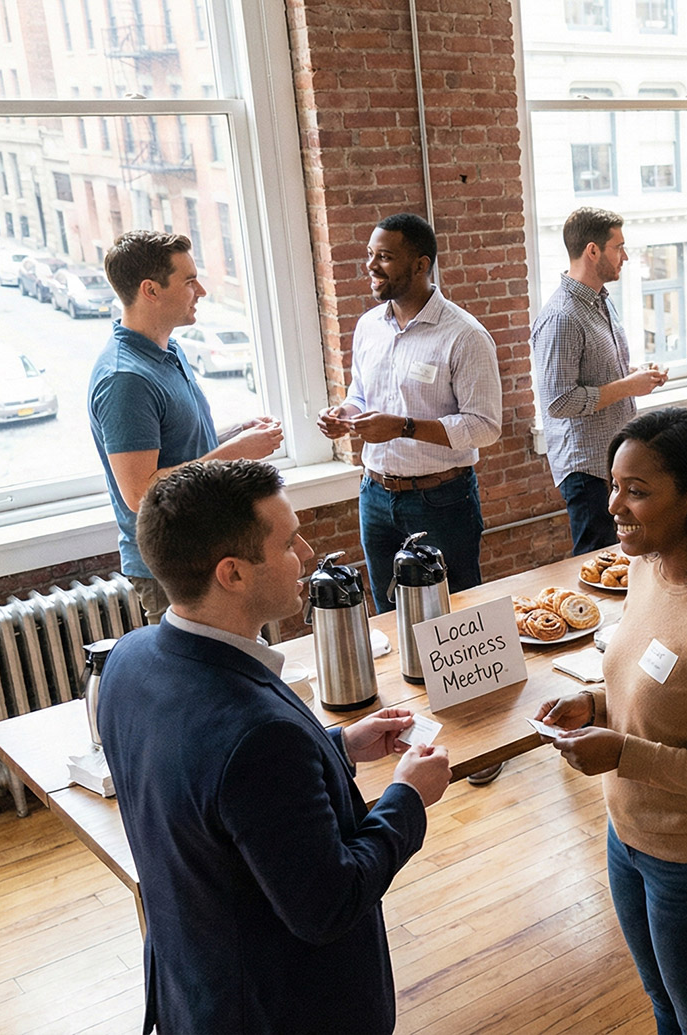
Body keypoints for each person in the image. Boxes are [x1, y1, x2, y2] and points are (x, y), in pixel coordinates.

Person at [98, 459, 451, 1035]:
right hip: (279, 1008)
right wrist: (407, 798)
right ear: (233, 573)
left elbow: (218, 795)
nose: (307, 553)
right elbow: (329, 904)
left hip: (192, 985)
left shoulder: (130, 660)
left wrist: (336, 745)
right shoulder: (260, 734)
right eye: (287, 542)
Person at [535, 409, 687, 1035]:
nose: (614, 504)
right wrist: (594, 703)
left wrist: (622, 753)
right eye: (615, 484)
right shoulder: (647, 570)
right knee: (664, 1006)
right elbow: (653, 688)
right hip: (628, 838)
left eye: (638, 491)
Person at [89, 230, 283, 623]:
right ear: (151, 290)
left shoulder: (168, 350)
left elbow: (180, 447)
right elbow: (140, 491)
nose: (203, 291)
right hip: (175, 566)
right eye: (189, 280)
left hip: (209, 549)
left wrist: (233, 433)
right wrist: (239, 450)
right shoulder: (126, 378)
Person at [317, 213, 501, 610]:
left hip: (441, 501)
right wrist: (344, 413)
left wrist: (402, 427)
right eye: (370, 254)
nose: (370, 266)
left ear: (421, 265)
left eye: (384, 256)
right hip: (374, 495)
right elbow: (362, 394)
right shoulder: (368, 326)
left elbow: (484, 427)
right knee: (387, 612)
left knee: (455, 611)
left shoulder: (465, 335)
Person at [532, 207, 668, 554]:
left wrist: (638, 375)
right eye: (618, 247)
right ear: (593, 251)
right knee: (598, 561)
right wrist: (629, 386)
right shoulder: (562, 317)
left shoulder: (601, 302)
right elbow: (559, 401)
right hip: (587, 471)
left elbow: (600, 373)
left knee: (622, 559)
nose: (624, 256)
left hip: (612, 461)